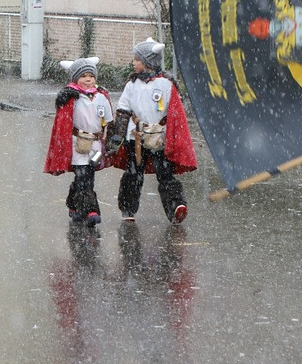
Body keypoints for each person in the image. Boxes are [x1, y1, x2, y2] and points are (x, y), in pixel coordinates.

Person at [108, 38, 197, 224]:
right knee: (133, 173)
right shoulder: (131, 84)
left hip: (159, 137)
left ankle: (175, 207)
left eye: (137, 59)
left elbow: (174, 112)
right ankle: (128, 208)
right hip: (136, 137)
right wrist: (116, 138)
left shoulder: (166, 84)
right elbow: (123, 110)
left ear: (148, 62)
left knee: (165, 174)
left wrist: (173, 136)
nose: (133, 62)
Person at [44, 57, 114, 226]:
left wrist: (112, 139)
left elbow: (108, 120)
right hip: (78, 144)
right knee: (83, 177)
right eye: (83, 76)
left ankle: (74, 203)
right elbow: (63, 124)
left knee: (88, 176)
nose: (88, 79)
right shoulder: (70, 98)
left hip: (95, 145)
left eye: (91, 75)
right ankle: (91, 210)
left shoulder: (101, 97)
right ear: (75, 78)